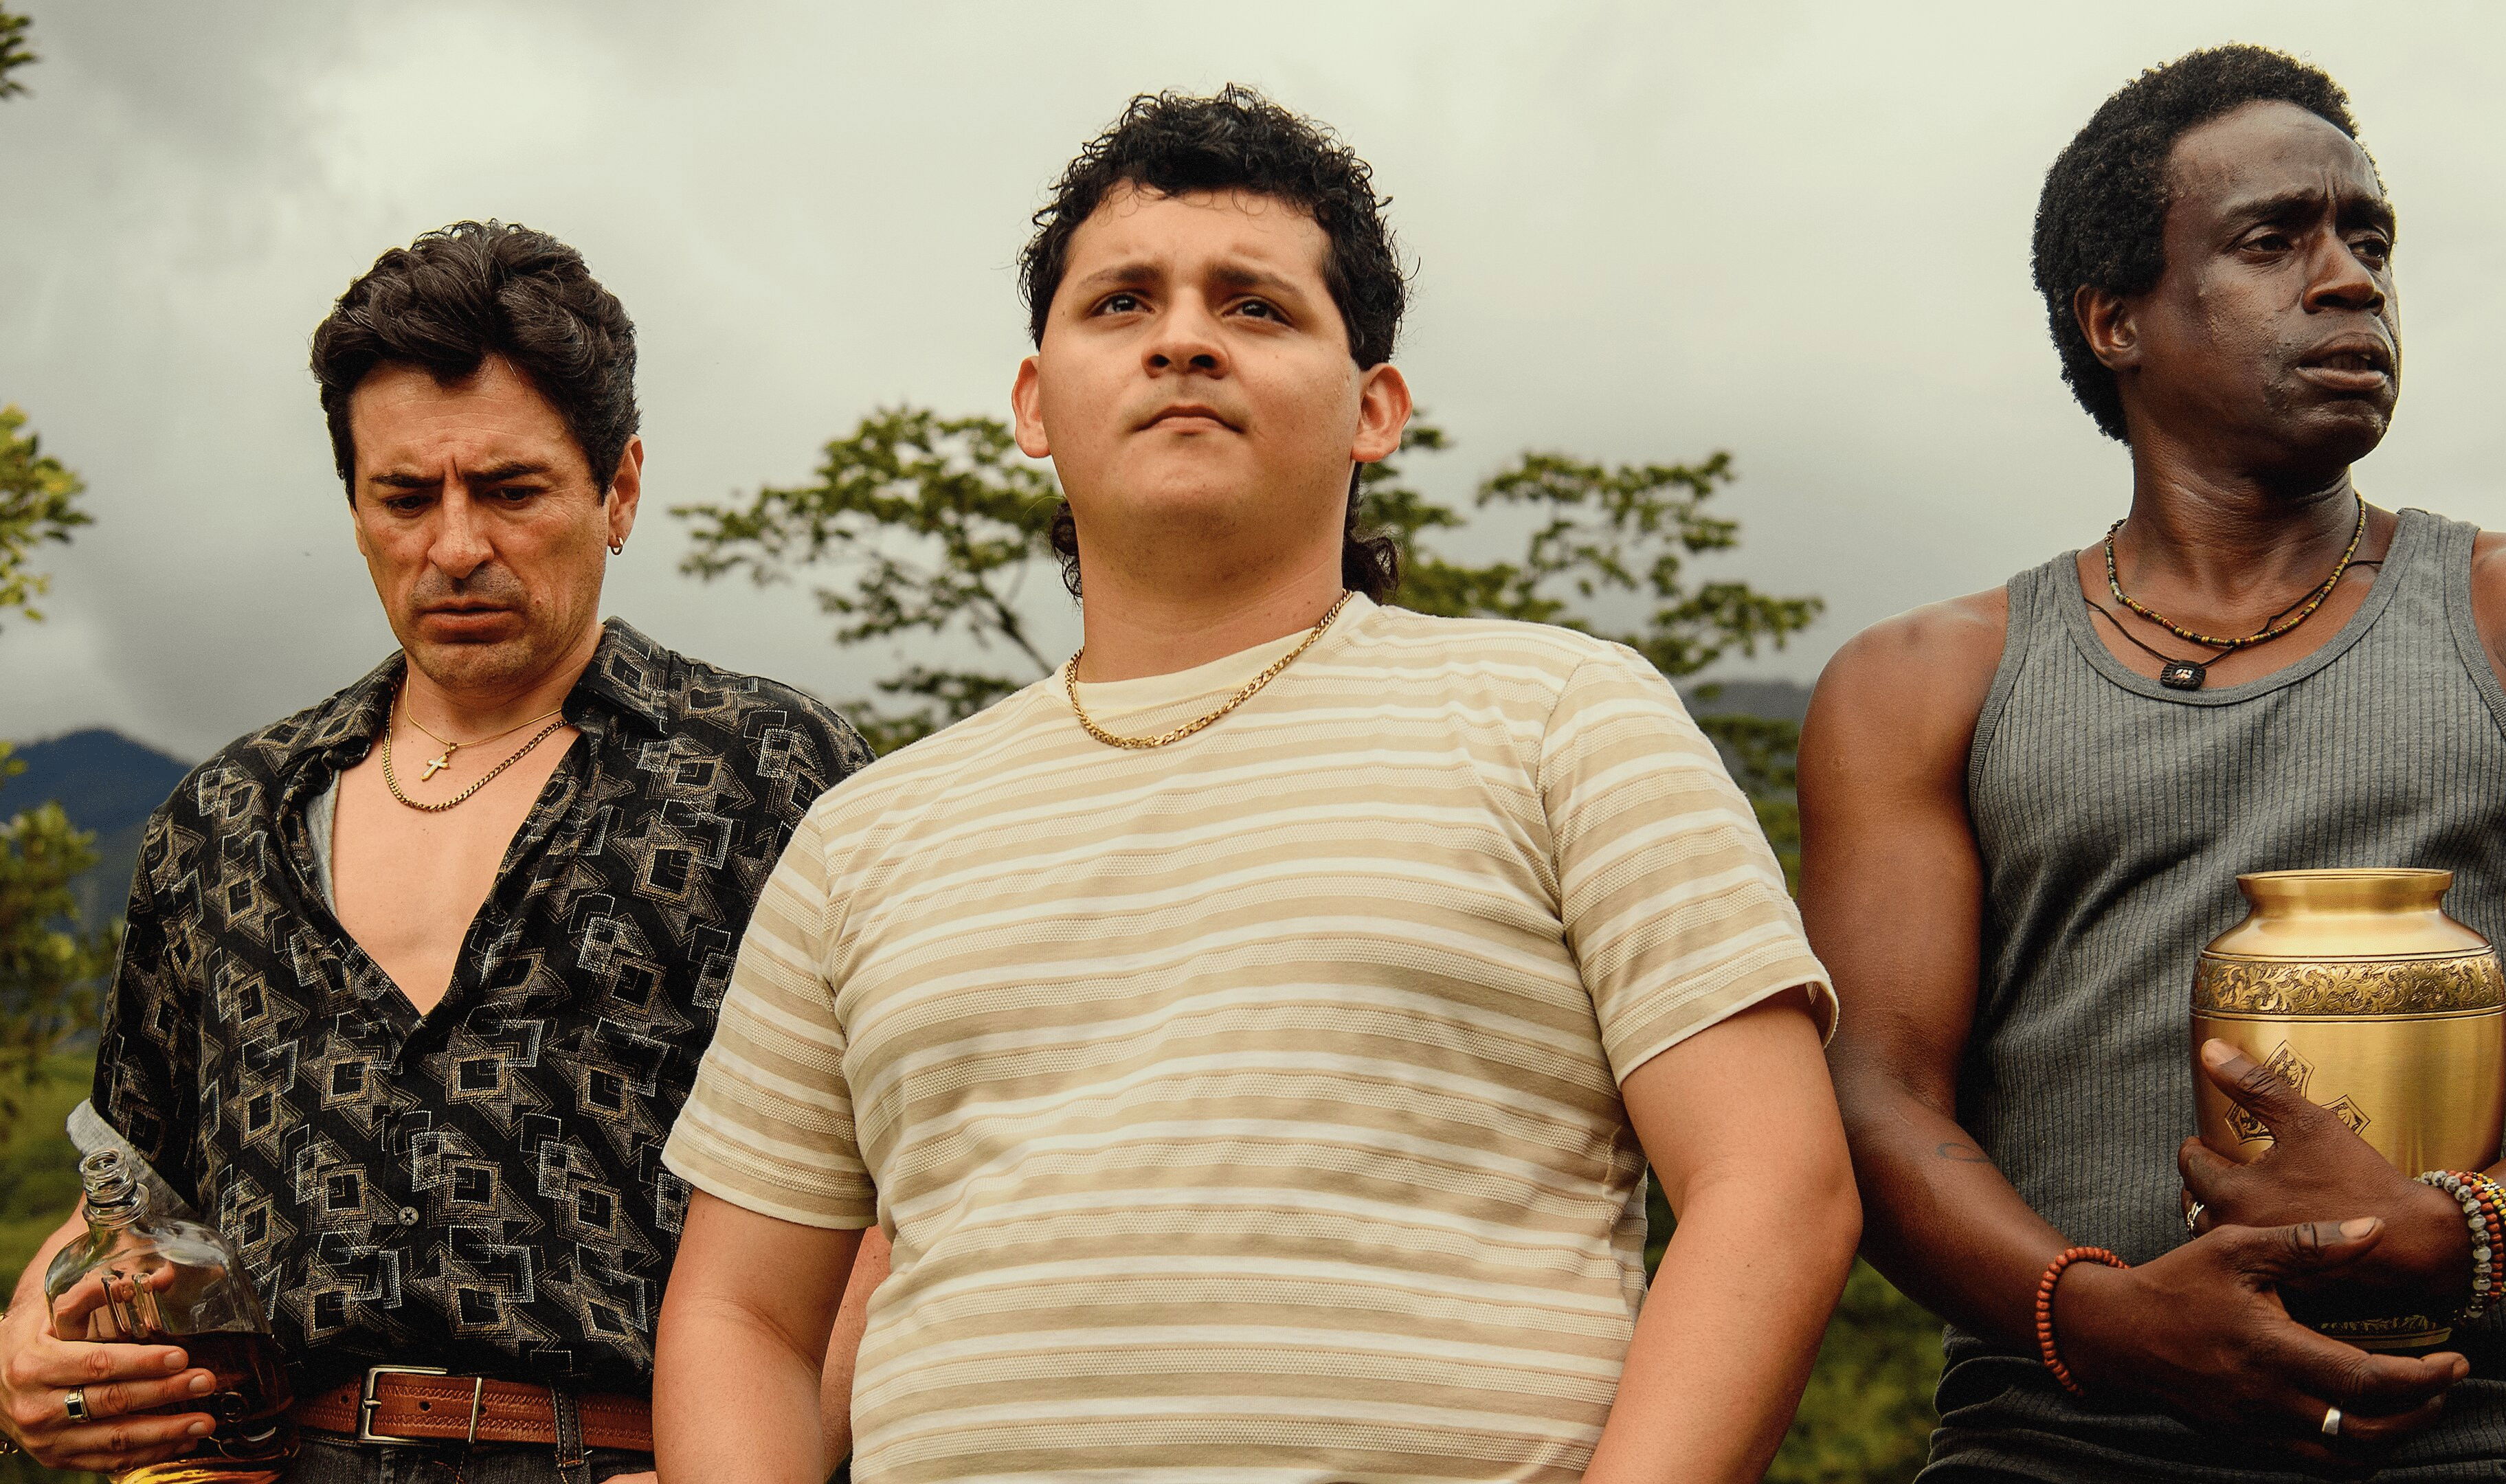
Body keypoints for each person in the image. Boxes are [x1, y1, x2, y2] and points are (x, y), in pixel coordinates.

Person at [653, 85, 1857, 1484]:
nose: (1182, 340)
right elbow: (743, 1316)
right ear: (1035, 404)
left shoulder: (1565, 721)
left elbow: (1773, 1185)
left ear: (1374, 410)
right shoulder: (862, 837)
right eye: (1121, 303)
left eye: (1256, 306)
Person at [1802, 43, 2506, 1481]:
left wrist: (2460, 1232)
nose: (2352, 280)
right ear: (2115, 319)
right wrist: (2104, 1321)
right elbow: (1873, 1098)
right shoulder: (1919, 684)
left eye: (2369, 238)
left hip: (2487, 1432)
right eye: (2274, 241)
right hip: (2051, 1439)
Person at [0, 221, 875, 1482]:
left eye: (511, 491)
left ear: (619, 489)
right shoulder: (221, 821)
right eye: (405, 498)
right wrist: (34, 1345)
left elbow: (906, 1173)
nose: (455, 548)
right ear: (355, 506)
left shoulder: (767, 772)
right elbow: (137, 1187)